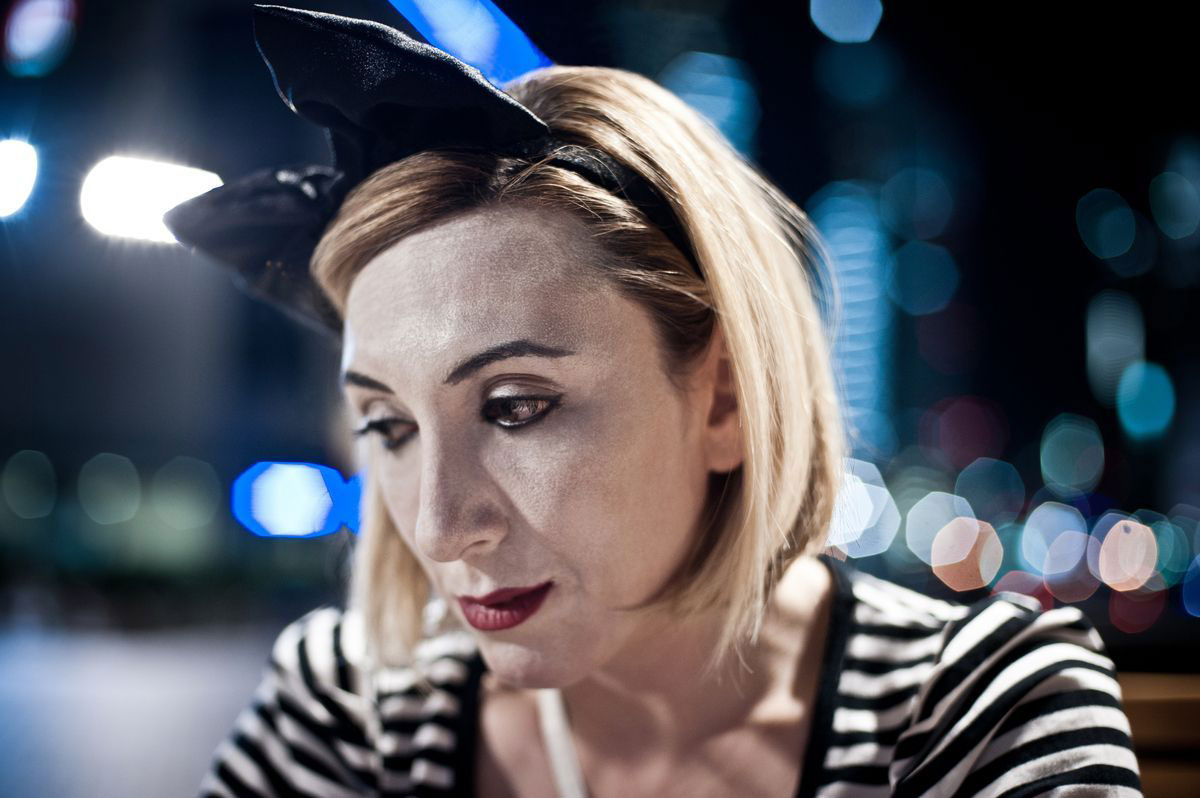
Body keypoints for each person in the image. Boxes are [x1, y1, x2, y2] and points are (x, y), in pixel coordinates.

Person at [174, 7, 1142, 797]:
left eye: (515, 407)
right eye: (389, 425)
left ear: (724, 398)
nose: (437, 527)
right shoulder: (349, 703)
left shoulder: (978, 710)